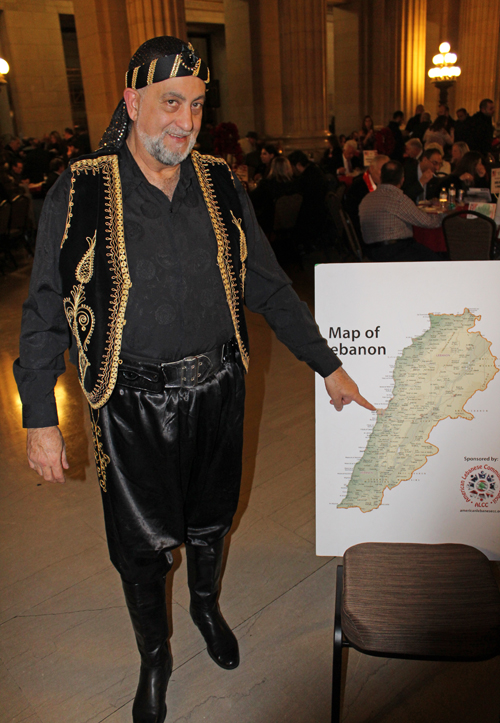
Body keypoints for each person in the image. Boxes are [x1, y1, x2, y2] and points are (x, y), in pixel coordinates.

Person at [13, 35, 374, 723]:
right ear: (132, 101)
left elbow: (267, 286)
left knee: (211, 523)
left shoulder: (220, 183)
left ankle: (206, 606)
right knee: (141, 545)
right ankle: (156, 654)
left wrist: (327, 363)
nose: (184, 120)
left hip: (219, 390)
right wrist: (38, 416)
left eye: (197, 106)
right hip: (130, 401)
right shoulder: (83, 187)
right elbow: (43, 308)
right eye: (169, 102)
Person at [359, 160, 443, 262]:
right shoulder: (398, 198)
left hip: (371, 252)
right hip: (395, 251)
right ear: (402, 180)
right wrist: (444, 215)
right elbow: (428, 222)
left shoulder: (366, 198)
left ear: (381, 177)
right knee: (437, 259)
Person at [249, 155, 298, 235]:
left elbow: (251, 200)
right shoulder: (295, 185)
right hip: (293, 224)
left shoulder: (266, 185)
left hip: (269, 225)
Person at [344, 154, 389, 239]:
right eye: (382, 170)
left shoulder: (387, 183)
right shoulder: (358, 188)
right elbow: (357, 218)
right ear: (371, 169)